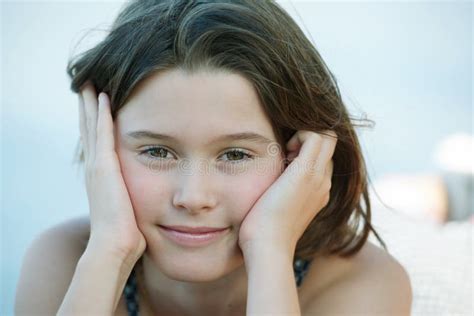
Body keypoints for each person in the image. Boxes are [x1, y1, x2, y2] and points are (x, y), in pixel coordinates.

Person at [15, 0, 412, 315]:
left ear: (298, 158)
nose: (193, 197)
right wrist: (109, 255)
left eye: (236, 154)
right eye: (156, 151)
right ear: (103, 143)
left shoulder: (363, 285)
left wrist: (270, 249)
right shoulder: (64, 265)